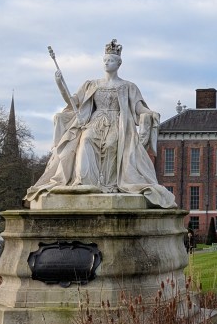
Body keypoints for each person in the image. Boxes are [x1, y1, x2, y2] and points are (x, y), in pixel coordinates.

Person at [25, 39, 176, 208]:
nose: (106, 63)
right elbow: (72, 101)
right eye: (104, 60)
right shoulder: (92, 84)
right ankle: (84, 182)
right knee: (86, 141)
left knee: (112, 145)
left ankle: (110, 185)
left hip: (117, 123)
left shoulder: (128, 86)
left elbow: (139, 108)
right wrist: (60, 84)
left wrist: (150, 114)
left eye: (110, 60)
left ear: (118, 63)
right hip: (95, 121)